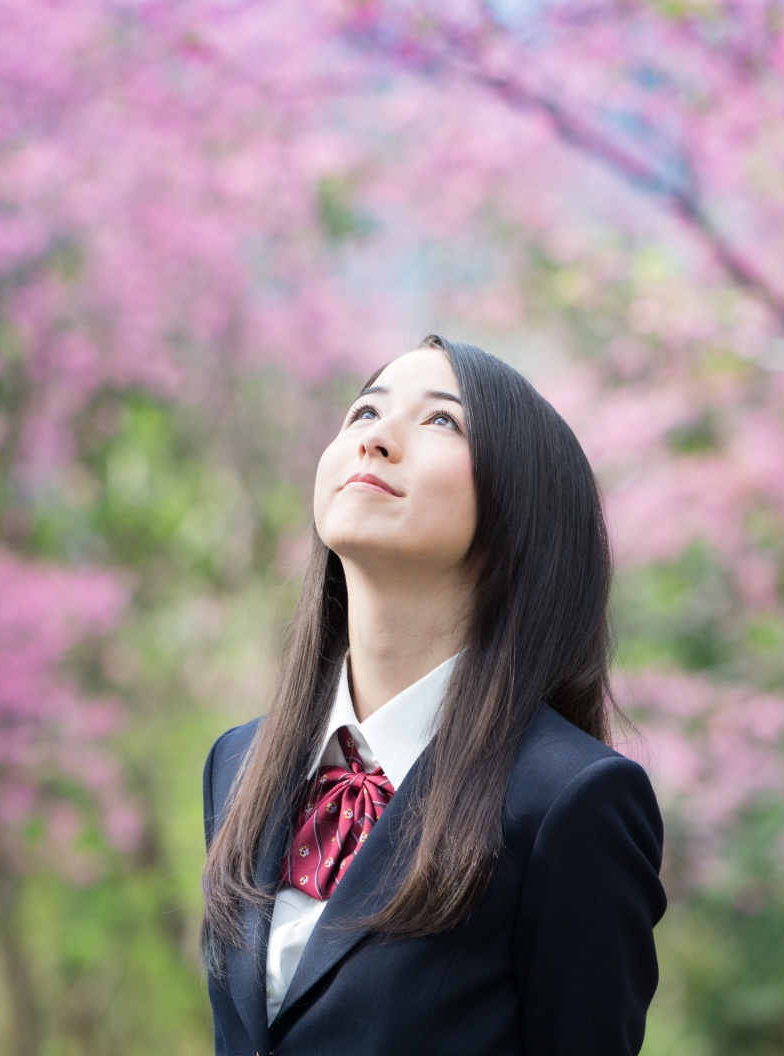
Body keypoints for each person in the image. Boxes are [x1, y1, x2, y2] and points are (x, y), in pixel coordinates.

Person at [201, 335, 665, 1056]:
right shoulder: (237, 764)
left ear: (522, 508)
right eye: (363, 413)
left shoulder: (570, 801)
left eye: (441, 420)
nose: (375, 439)